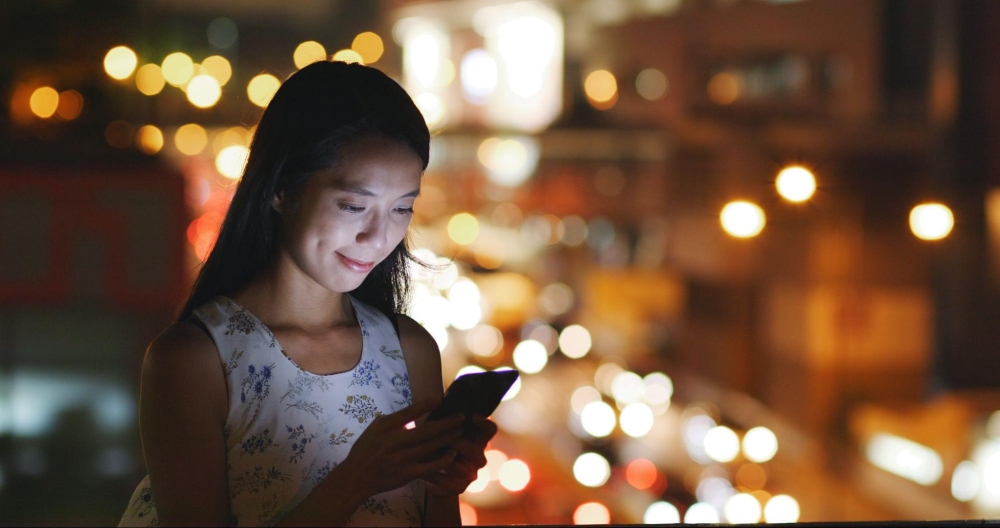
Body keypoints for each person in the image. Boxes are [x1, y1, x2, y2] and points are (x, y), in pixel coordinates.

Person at [118, 60, 496, 527]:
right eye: (354, 205)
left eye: (402, 208)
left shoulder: (409, 349)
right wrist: (358, 478)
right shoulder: (196, 360)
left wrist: (442, 477)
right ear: (282, 188)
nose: (378, 237)